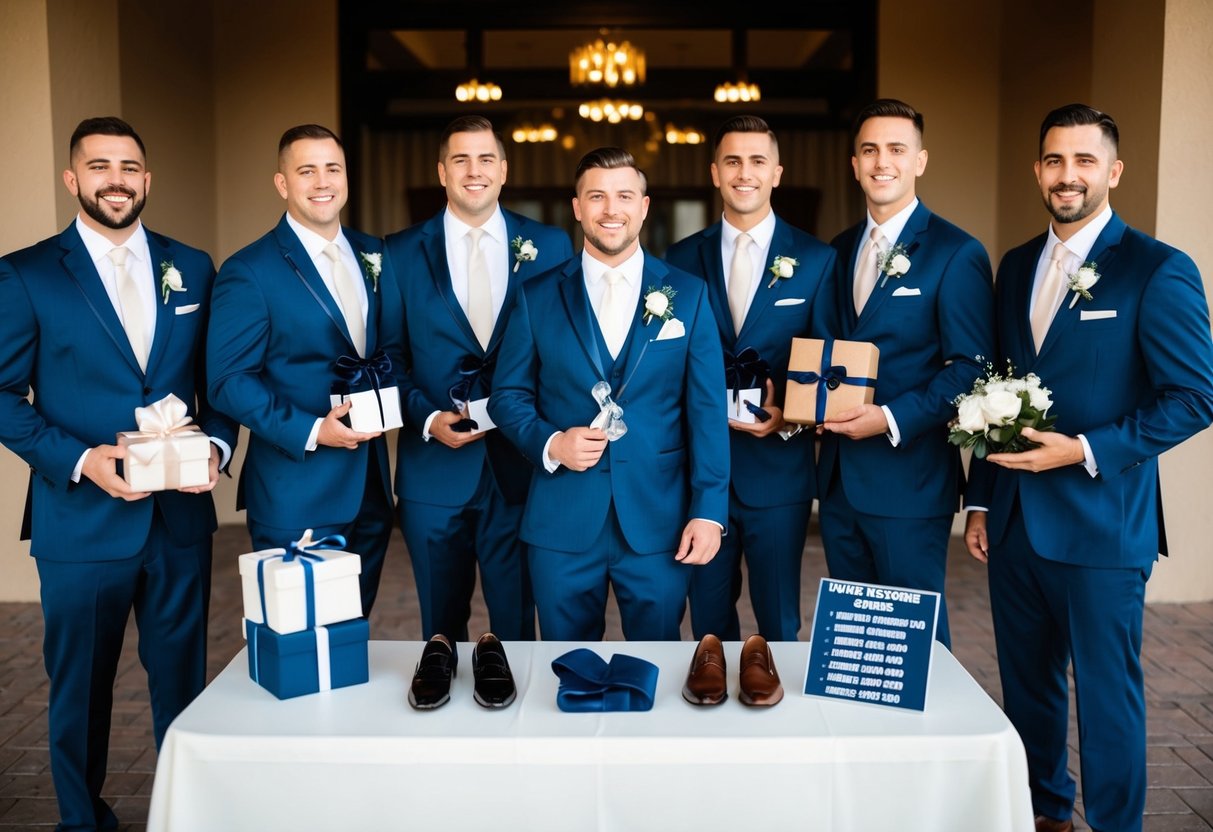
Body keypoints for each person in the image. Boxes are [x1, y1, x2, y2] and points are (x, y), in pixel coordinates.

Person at [965, 104, 1213, 832]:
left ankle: (1113, 824)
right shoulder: (1013, 267)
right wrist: (980, 500)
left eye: (1082, 161)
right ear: (1037, 169)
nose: (1065, 175)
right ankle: (1046, 815)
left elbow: (1193, 397)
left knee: (1107, 697)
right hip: (1013, 524)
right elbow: (995, 390)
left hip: (1103, 526)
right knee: (1028, 690)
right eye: (1052, 161)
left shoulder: (1157, 269)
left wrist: (1082, 450)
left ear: (1112, 171)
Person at [0, 116, 237, 832]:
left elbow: (217, 386)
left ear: (147, 179)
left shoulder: (193, 266)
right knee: (80, 692)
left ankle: (180, 815)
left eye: (130, 167)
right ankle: (82, 821)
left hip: (178, 519)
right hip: (81, 523)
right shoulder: (27, 273)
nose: (116, 179)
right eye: (99, 166)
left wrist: (216, 452)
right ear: (73, 180)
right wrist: (80, 461)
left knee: (182, 688)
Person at [489, 147, 729, 640]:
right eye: (596, 196)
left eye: (624, 196)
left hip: (660, 521)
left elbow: (706, 413)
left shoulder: (690, 293)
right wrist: (552, 443)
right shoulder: (536, 297)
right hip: (562, 520)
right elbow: (506, 396)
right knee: (565, 668)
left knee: (657, 665)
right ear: (577, 207)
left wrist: (709, 511)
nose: (610, 209)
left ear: (644, 206)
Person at [380, 116, 572, 643]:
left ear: (504, 170)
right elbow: (389, 358)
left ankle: (514, 724)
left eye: (486, 159)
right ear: (442, 172)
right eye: (461, 160)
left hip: (521, 468)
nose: (474, 171)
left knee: (516, 629)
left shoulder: (551, 245)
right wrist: (425, 417)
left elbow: (565, 353)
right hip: (434, 472)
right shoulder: (397, 253)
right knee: (440, 633)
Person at [815, 98, 994, 648]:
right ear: (854, 163)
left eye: (896, 149)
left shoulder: (956, 252)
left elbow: (971, 366)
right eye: (869, 150)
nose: (881, 161)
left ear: (920, 161)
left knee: (911, 644)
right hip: (841, 480)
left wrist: (890, 417)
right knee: (855, 642)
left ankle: (924, 736)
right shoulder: (839, 250)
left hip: (911, 478)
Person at [207, 124, 394, 614]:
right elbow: (228, 382)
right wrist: (312, 430)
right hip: (295, 489)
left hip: (370, 487)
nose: (322, 181)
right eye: (306, 170)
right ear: (282, 183)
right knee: (297, 641)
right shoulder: (250, 270)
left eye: (332, 168)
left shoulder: (373, 253)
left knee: (350, 634)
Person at [665, 115, 834, 641]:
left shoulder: (817, 259)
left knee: (779, 621)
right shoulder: (679, 258)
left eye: (757, 161)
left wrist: (791, 420)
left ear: (776, 172)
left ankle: (778, 718)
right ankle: (716, 715)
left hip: (777, 471)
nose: (745, 173)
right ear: (715, 172)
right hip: (699, 475)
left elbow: (827, 361)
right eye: (733, 161)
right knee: (709, 623)